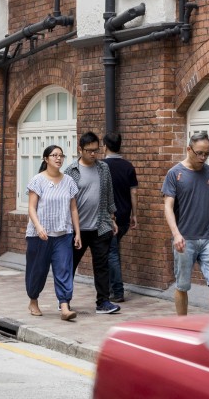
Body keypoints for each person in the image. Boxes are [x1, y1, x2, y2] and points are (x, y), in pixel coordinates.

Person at [162, 130, 209, 316]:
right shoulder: (175, 174)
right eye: (200, 153)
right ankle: (182, 324)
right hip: (184, 239)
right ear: (189, 149)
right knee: (182, 286)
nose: (204, 157)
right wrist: (176, 234)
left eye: (207, 153)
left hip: (208, 239)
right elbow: (168, 207)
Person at [64, 131, 120, 315]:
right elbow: (65, 201)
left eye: (96, 150)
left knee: (101, 266)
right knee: (69, 265)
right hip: (76, 229)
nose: (93, 154)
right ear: (80, 149)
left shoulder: (103, 168)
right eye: (89, 151)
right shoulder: (71, 171)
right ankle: (64, 301)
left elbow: (109, 194)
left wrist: (112, 218)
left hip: (100, 226)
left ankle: (103, 302)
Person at [25, 145, 81, 321]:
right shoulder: (37, 181)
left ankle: (64, 306)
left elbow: (73, 209)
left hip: (63, 234)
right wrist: (39, 226)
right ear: (46, 159)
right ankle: (33, 300)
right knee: (38, 270)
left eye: (61, 155)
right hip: (39, 235)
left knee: (64, 269)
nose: (58, 158)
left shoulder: (69, 181)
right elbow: (31, 208)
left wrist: (77, 233)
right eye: (54, 155)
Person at [103, 132, 138, 303]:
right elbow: (134, 192)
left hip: (109, 218)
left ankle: (117, 291)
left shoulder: (101, 166)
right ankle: (111, 288)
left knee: (112, 253)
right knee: (113, 252)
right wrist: (134, 214)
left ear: (105, 146)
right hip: (124, 217)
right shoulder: (128, 166)